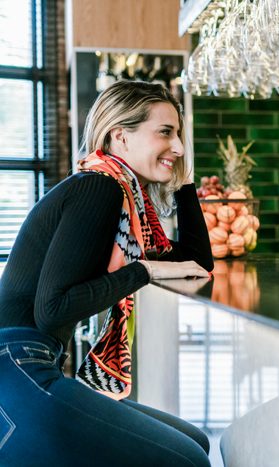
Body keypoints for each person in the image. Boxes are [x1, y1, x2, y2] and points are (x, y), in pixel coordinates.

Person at [0, 80, 214, 466]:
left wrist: (183, 183)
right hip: (15, 372)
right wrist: (143, 270)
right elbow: (55, 307)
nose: (179, 146)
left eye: (178, 134)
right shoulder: (99, 188)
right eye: (166, 132)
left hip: (25, 369)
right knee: (189, 459)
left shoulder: (122, 200)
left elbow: (197, 264)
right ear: (121, 136)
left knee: (196, 442)